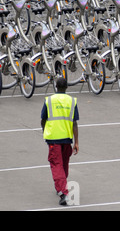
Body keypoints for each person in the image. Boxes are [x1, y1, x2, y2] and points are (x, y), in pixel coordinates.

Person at [41, 77, 79, 206]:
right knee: (63, 165)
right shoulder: (72, 101)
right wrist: (77, 142)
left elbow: (43, 119)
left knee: (56, 165)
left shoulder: (49, 100)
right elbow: (74, 123)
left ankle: (63, 193)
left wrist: (44, 131)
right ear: (67, 87)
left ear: (56, 86)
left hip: (53, 139)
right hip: (67, 139)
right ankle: (61, 185)